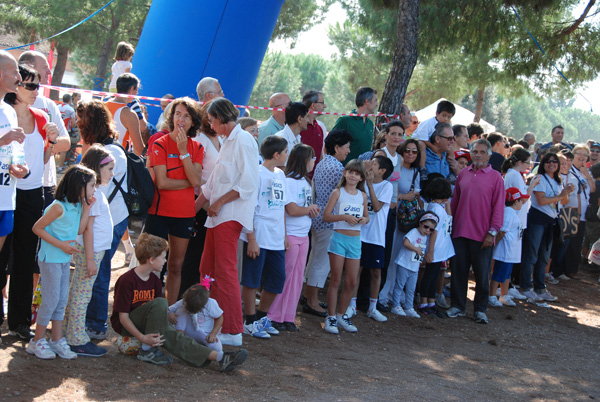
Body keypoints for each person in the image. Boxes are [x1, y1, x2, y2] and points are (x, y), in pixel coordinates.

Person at [111, 233, 248, 370]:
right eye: (163, 257)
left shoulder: (154, 281)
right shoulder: (127, 280)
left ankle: (220, 358)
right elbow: (123, 317)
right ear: (151, 260)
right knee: (161, 303)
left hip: (149, 325)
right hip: (129, 326)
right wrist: (142, 338)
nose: (165, 261)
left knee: (175, 336)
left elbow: (156, 311)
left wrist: (166, 315)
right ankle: (148, 350)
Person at [195, 98, 259, 347]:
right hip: (218, 216)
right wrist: (195, 208)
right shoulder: (226, 142)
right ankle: (209, 318)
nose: (210, 124)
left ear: (221, 117)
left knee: (225, 271)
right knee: (206, 270)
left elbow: (248, 183)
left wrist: (219, 202)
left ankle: (232, 329)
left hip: (230, 215)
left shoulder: (243, 141)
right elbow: (211, 185)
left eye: (211, 120)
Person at [2, 64, 58, 342]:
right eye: (32, 85)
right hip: (5, 193)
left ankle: (20, 321)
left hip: (32, 192)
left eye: (39, 85)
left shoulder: (40, 115)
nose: (38, 91)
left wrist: (51, 141)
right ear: (16, 86)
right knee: (2, 257)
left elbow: (47, 156)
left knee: (25, 259)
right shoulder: (3, 112)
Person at [29, 165, 96, 359]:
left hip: (64, 260)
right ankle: (37, 341)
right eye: (91, 186)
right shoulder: (58, 206)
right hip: (51, 260)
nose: (94, 190)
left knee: (61, 300)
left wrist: (86, 209)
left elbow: (79, 230)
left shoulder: (75, 206)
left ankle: (56, 340)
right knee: (50, 301)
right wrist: (61, 245)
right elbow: (37, 228)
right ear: (79, 186)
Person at [77, 100, 129, 341]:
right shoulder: (101, 148)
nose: (78, 125)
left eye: (82, 121)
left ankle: (96, 324)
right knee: (93, 269)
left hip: (107, 219)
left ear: (92, 123)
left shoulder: (110, 152)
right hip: (101, 217)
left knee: (98, 270)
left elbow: (95, 193)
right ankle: (87, 319)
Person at [145, 97, 203, 305]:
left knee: (176, 266)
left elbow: (196, 181)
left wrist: (183, 152)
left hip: (184, 215)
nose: (181, 119)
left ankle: (169, 310)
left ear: (193, 121)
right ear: (171, 117)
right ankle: (150, 307)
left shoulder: (196, 147)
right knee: (153, 266)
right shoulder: (159, 143)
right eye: (178, 114)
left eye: (187, 116)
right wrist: (188, 182)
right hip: (159, 212)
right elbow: (162, 182)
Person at [447, 139, 505, 324]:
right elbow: (455, 202)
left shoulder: (496, 177)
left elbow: (498, 208)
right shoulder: (463, 174)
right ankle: (458, 306)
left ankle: (480, 310)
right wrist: (450, 227)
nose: (478, 154)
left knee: (481, 275)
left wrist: (493, 232)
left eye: (482, 151)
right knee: (458, 271)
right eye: (475, 151)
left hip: (483, 235)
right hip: (460, 232)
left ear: (488, 155)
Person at [65, 145, 114, 357]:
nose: (113, 174)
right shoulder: (92, 194)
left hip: (93, 252)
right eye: (109, 169)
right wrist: (91, 260)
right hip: (90, 252)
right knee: (81, 294)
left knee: (79, 292)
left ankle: (70, 332)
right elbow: (87, 229)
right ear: (97, 168)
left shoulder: (95, 192)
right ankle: (76, 339)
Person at [239, 136, 289, 339]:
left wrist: (284, 235)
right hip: (259, 234)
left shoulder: (280, 175)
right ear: (276, 154)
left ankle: (261, 317)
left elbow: (282, 207)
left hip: (276, 237)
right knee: (252, 279)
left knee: (277, 278)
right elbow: (248, 207)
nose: (287, 155)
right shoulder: (257, 174)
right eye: (285, 152)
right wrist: (251, 238)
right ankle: (249, 320)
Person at [268, 144, 320, 331]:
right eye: (312, 158)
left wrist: (310, 211)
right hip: (290, 234)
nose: (314, 161)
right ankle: (273, 315)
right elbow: (290, 209)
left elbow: (302, 208)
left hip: (303, 235)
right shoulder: (288, 181)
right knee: (285, 276)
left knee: (297, 278)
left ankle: (288, 316)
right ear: (303, 160)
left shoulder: (306, 182)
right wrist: (308, 210)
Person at [302, 129, 352, 317]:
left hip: (318, 217)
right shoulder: (338, 168)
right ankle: (312, 300)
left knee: (316, 258)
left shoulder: (323, 163)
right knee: (321, 262)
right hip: (328, 220)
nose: (348, 151)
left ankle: (309, 296)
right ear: (337, 147)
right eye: (347, 147)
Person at [0, 51, 28, 341]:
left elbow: (9, 152)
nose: (19, 78)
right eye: (14, 73)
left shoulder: (8, 110)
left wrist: (17, 166)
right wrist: (3, 140)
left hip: (6, 197)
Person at [322, 160, 369, 334]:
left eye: (356, 173)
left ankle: (342, 315)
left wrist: (364, 219)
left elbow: (366, 216)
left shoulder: (362, 195)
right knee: (335, 279)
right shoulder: (337, 192)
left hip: (355, 241)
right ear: (344, 173)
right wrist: (344, 217)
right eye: (350, 172)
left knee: (351, 281)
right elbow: (326, 216)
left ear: (361, 177)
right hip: (339, 239)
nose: (353, 175)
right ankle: (331, 316)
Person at [18, 51, 70, 206]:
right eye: (45, 67)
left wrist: (46, 142)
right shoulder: (7, 107)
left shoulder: (48, 105)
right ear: (29, 68)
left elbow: (66, 143)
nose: (49, 72)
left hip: (45, 181)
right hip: (15, 182)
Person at [520, 152, 573, 302]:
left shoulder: (558, 180)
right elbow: (541, 201)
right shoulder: (540, 178)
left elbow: (563, 202)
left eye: (554, 161)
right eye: (548, 161)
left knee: (544, 257)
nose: (551, 164)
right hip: (537, 219)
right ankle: (525, 287)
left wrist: (566, 192)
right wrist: (562, 194)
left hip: (551, 221)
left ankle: (540, 288)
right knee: (531, 255)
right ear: (543, 164)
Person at [378, 139, 422, 310]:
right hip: (393, 215)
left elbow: (416, 194)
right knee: (389, 257)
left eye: (414, 151)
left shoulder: (416, 173)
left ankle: (392, 294)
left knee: (399, 258)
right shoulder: (395, 168)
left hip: (407, 220)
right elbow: (390, 192)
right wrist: (404, 197)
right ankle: (382, 295)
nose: (410, 154)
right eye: (407, 151)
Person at [354, 155, 393, 322]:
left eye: (374, 164)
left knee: (376, 271)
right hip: (359, 233)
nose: (370, 164)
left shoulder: (387, 186)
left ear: (382, 171)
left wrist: (369, 185)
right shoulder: (361, 181)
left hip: (376, 236)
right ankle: (351, 304)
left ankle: (372, 307)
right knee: (356, 269)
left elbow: (377, 207)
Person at [390, 213, 439, 319]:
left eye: (431, 230)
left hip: (414, 266)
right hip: (404, 263)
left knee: (411, 288)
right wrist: (416, 249)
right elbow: (406, 242)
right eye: (426, 227)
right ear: (421, 223)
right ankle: (396, 305)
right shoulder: (414, 232)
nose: (427, 230)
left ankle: (409, 307)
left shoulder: (425, 237)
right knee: (400, 285)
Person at [418, 178, 454, 317]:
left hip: (440, 247)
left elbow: (449, 219)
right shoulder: (435, 209)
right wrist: (430, 251)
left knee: (434, 275)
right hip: (436, 247)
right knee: (430, 276)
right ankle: (424, 303)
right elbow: (434, 231)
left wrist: (448, 204)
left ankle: (431, 302)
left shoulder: (438, 206)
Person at [489, 188, 529, 308]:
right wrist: (494, 245)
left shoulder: (511, 213)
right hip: (505, 252)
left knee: (506, 275)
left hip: (511, 252)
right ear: (515, 202)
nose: (523, 202)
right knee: (498, 274)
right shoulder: (508, 213)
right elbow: (502, 232)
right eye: (521, 200)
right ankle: (491, 296)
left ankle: (504, 295)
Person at [167, 281, 224, 353]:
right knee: (181, 311)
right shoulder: (185, 300)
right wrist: (170, 314)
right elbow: (168, 309)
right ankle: (180, 339)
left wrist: (213, 333)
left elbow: (220, 317)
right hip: (189, 330)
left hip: (205, 333)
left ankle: (195, 345)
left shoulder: (211, 303)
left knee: (217, 348)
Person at [566, 144, 596, 276]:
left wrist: (587, 174)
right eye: (579, 153)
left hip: (584, 214)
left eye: (585, 154)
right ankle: (564, 269)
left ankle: (572, 270)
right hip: (571, 211)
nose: (582, 157)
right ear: (573, 154)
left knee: (578, 242)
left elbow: (593, 189)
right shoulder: (569, 170)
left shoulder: (585, 172)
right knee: (568, 242)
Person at [331, 87, 378, 164]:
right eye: (375, 100)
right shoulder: (345, 121)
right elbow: (330, 144)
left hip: (363, 173)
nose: (377, 104)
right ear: (367, 101)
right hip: (345, 172)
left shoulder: (370, 124)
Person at [104, 73, 145, 156]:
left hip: (97, 158)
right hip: (118, 160)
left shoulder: (102, 106)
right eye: (136, 90)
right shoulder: (129, 114)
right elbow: (139, 147)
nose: (137, 93)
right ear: (132, 89)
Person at [300, 90, 327, 170]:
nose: (325, 106)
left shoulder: (320, 127)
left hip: (315, 179)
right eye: (322, 103)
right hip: (300, 177)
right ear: (313, 105)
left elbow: (321, 154)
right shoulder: (299, 126)